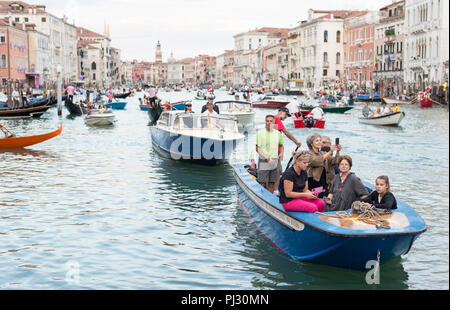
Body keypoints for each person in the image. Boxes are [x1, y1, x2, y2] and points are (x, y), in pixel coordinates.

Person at [306, 133, 341, 198]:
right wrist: (330, 152)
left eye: (320, 140)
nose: (319, 142)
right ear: (311, 143)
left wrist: (338, 151)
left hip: (324, 183)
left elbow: (335, 161)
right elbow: (316, 161)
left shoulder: (323, 153)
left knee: (326, 200)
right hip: (313, 183)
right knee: (317, 200)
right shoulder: (308, 154)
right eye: (317, 141)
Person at [256, 115, 284, 194]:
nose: (269, 122)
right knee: (262, 182)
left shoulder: (278, 134)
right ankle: (261, 197)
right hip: (264, 160)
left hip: (274, 160)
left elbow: (281, 146)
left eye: (271, 121)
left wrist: (281, 153)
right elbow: (257, 148)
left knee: (272, 182)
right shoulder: (261, 133)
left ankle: (270, 198)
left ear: (274, 122)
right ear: (265, 122)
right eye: (267, 121)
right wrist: (267, 158)